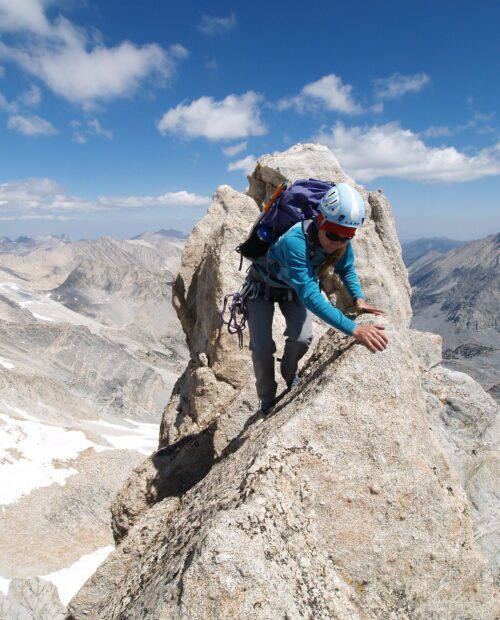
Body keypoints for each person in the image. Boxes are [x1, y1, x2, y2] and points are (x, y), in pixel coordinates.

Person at [245, 182, 388, 413]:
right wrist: (355, 330)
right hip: (261, 287)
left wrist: (358, 299)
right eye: (332, 235)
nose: (338, 243)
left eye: (346, 237)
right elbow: (311, 295)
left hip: (291, 289)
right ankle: (267, 398)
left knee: (302, 338)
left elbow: (347, 268)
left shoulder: (340, 240)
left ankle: (289, 374)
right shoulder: (295, 241)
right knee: (262, 348)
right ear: (320, 220)